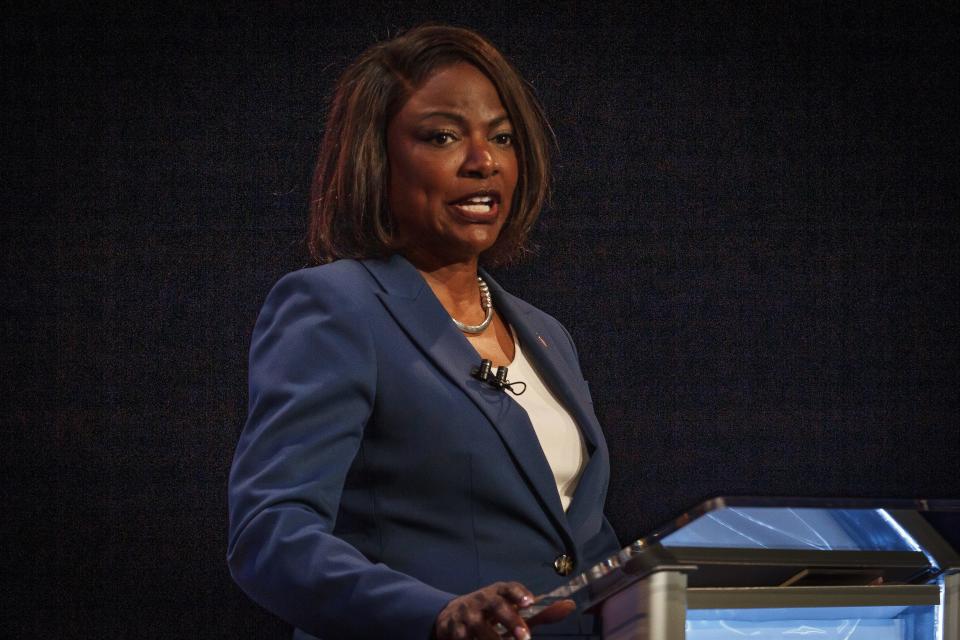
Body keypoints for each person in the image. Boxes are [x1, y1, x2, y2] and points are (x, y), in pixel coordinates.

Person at [227, 24, 620, 640]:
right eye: (442, 136)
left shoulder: (548, 336)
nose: (482, 161)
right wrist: (434, 615)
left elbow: (579, 544)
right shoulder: (337, 307)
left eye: (502, 137)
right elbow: (270, 533)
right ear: (377, 157)